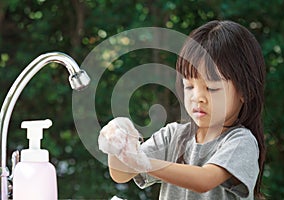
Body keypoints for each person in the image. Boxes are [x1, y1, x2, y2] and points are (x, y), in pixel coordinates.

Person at [99, 20, 266, 200]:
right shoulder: (174, 136)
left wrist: (144, 163)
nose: (197, 97)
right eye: (189, 86)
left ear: (245, 91)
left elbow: (204, 180)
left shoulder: (241, 142)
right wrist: (117, 142)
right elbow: (121, 173)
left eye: (211, 88)